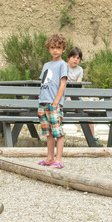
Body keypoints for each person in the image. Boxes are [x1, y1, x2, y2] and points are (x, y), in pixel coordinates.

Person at [37, 34, 69, 169]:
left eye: (58, 48)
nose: (55, 50)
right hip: (43, 103)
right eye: (52, 47)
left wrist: (56, 103)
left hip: (54, 104)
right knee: (48, 133)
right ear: (48, 48)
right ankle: (49, 158)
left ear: (63, 49)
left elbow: (63, 84)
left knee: (57, 132)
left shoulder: (63, 65)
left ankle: (59, 159)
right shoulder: (46, 65)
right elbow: (44, 83)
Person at [65, 47, 101, 146]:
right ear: (68, 57)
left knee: (87, 110)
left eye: (78, 58)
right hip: (63, 94)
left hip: (75, 95)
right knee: (67, 102)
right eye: (73, 57)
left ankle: (93, 137)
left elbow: (78, 84)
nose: (76, 60)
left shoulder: (79, 69)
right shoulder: (63, 67)